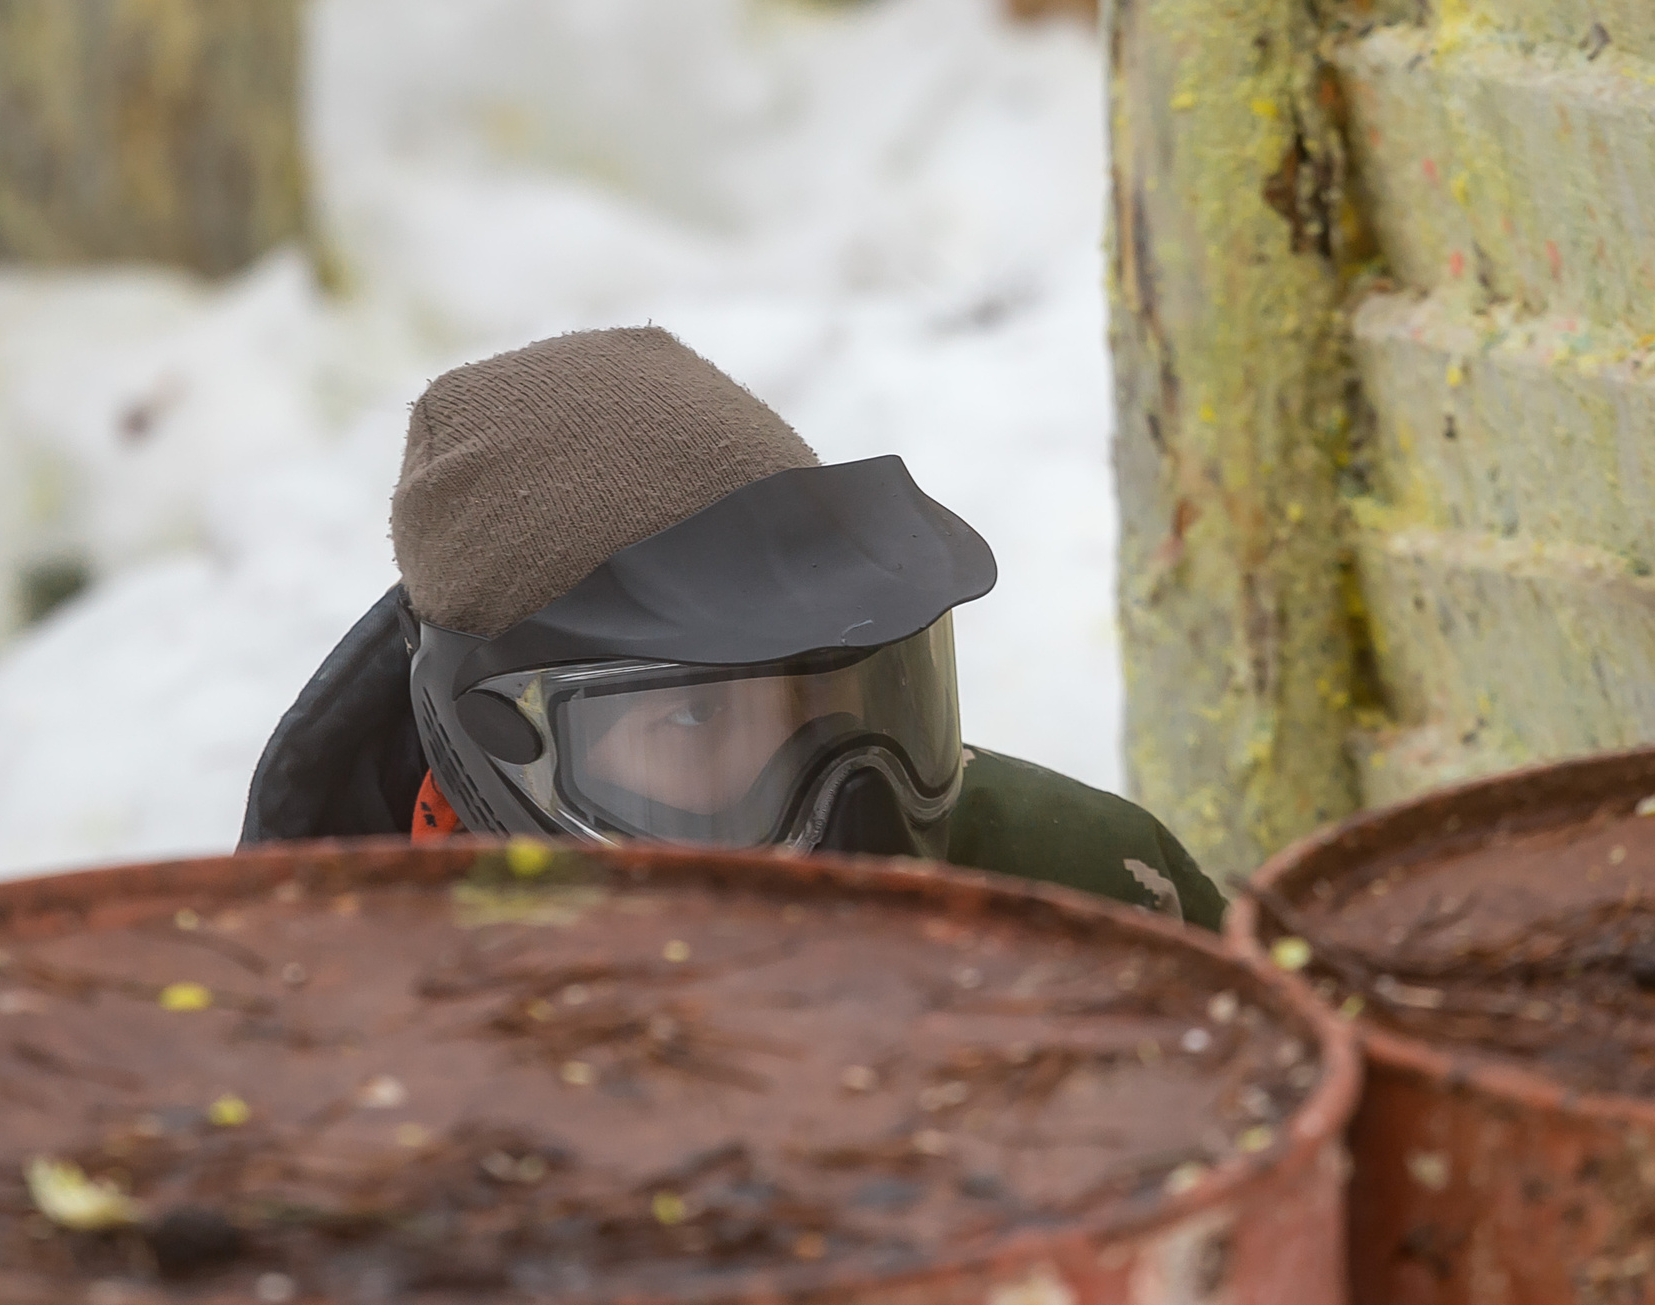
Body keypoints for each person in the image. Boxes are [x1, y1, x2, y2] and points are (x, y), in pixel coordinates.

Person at [239, 327, 1224, 929]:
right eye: (694, 727)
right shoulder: (323, 1038)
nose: (848, 824)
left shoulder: (1091, 898)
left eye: (844, 698)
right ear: (495, 756)